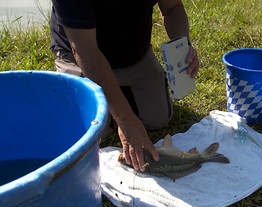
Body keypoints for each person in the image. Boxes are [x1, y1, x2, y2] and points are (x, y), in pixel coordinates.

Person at [49, 0, 199, 172]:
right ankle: (115, 102)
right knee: (92, 132)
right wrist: (125, 118)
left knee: (158, 117)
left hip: (134, 54)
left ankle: (115, 95)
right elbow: (86, 52)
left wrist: (182, 45)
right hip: (80, 57)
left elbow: (172, 8)